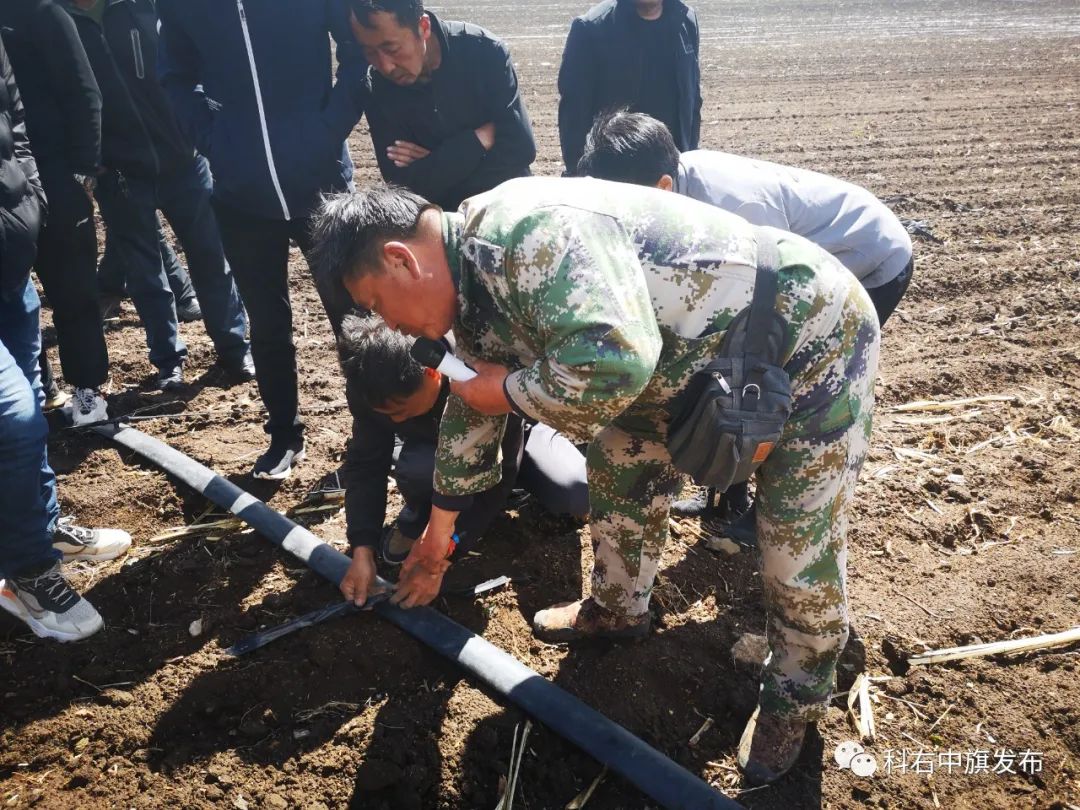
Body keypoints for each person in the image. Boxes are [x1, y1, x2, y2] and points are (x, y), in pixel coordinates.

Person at [311, 178, 880, 785]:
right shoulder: (469, 285)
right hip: (683, 368)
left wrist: (507, 390)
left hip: (807, 341)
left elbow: (613, 363)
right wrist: (438, 540)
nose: (384, 323)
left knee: (797, 545)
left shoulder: (530, 239)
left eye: (375, 304)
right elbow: (474, 406)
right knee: (618, 467)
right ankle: (617, 609)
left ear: (401, 259)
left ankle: (794, 699)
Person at [577, 110, 914, 521]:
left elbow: (766, 307)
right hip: (799, 270)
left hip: (868, 261)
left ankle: (771, 516)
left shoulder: (736, 210)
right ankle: (727, 495)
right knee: (736, 381)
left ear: (663, 186)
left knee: (778, 386)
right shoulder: (673, 185)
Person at [158, 0, 368, 479]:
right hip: (240, 194)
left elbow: (356, 50)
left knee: (352, 313)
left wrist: (329, 128)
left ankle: (377, 429)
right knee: (267, 322)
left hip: (321, 185)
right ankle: (283, 434)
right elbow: (175, 74)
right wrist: (214, 139)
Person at [0, 36, 130, 643]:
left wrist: (25, 190)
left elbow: (13, 115)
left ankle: (40, 530)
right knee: (16, 418)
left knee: (28, 395)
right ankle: (25, 574)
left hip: (9, 266)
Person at [61, 0, 253, 391]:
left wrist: (199, 129)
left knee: (211, 259)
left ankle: (235, 347)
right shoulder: (61, 21)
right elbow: (60, 97)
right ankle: (168, 360)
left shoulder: (142, 7)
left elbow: (194, 60)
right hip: (120, 174)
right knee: (146, 273)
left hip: (183, 159)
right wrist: (90, 159)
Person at [335, 315, 589, 607]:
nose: (394, 422)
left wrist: (441, 556)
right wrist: (362, 548)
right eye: (387, 415)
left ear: (433, 374)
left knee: (578, 494)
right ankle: (420, 517)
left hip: (518, 437)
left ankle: (480, 507)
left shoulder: (474, 369)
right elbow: (366, 464)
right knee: (420, 469)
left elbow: (504, 470)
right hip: (435, 454)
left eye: (401, 411)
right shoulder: (368, 383)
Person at [0, 0, 110, 424]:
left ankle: (88, 394)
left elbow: (86, 94)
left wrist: (83, 170)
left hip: (58, 180)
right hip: (11, 185)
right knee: (16, 294)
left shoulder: (44, 14)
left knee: (74, 292)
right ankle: (38, 388)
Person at [348, 0, 535, 210]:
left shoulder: (484, 52)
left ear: (424, 27)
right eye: (370, 52)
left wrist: (436, 162)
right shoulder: (376, 87)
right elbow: (403, 187)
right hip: (442, 225)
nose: (385, 66)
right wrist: (477, 141)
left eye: (391, 49)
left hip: (509, 208)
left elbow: (521, 150)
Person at [557, 0, 701, 174]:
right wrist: (580, 176)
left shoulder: (685, 20)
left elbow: (693, 102)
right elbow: (574, 117)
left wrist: (688, 161)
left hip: (673, 172)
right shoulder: (591, 30)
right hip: (616, 177)